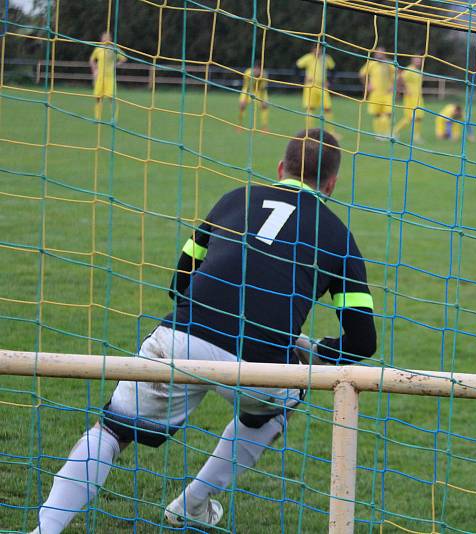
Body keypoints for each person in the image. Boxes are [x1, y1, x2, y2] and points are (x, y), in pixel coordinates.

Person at [28, 129, 377, 534]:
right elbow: (362, 343)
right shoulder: (339, 236)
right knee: (284, 399)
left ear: (281, 169)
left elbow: (179, 285)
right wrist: (308, 349)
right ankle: (193, 501)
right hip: (260, 364)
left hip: (182, 335)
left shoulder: (235, 198)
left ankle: (44, 530)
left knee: (111, 432)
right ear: (331, 184)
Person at [296, 44, 336, 134]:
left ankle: (331, 132)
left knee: (328, 108)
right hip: (310, 86)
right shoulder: (308, 58)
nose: (318, 51)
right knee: (310, 108)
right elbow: (296, 67)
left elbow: (333, 70)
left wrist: (330, 81)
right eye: (316, 49)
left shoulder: (326, 58)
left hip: (322, 86)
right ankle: (309, 132)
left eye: (320, 49)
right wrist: (302, 80)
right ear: (312, 50)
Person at [89, 31, 126, 121]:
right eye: (104, 37)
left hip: (110, 77)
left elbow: (123, 58)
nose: (106, 39)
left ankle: (114, 118)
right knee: (98, 98)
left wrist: (116, 65)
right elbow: (91, 60)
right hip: (100, 78)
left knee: (111, 98)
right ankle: (97, 118)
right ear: (101, 39)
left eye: (108, 37)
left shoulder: (113, 49)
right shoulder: (98, 49)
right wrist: (94, 71)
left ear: (110, 39)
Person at [359, 47, 396, 139]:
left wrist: (393, 85)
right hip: (375, 93)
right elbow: (362, 74)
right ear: (375, 55)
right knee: (377, 114)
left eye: (381, 54)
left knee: (388, 113)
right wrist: (367, 85)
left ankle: (387, 133)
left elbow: (397, 74)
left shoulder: (389, 64)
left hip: (387, 93)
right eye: (378, 54)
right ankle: (378, 134)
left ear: (385, 55)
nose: (379, 55)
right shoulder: (371, 64)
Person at [393, 55, 425, 142]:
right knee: (410, 118)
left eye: (420, 60)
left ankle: (416, 136)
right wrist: (402, 90)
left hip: (418, 97)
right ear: (412, 61)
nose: (418, 62)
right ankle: (395, 131)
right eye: (417, 60)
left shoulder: (418, 71)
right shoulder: (409, 70)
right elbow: (399, 78)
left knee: (418, 117)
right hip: (410, 97)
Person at [238, 61, 268, 130]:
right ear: (253, 68)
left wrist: (263, 100)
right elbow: (248, 87)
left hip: (259, 91)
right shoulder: (248, 73)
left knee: (264, 106)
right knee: (242, 105)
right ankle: (240, 125)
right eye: (256, 68)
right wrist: (245, 99)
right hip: (248, 90)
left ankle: (264, 127)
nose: (257, 71)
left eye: (259, 69)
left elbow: (263, 88)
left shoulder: (264, 75)